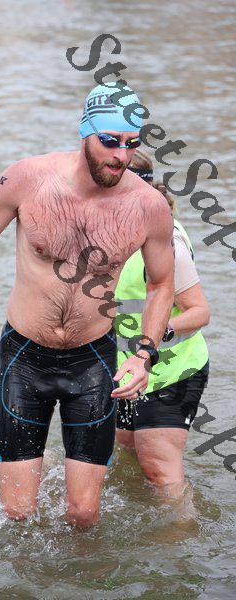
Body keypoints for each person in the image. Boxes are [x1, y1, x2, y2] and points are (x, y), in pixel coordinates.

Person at [0, 82, 175, 528]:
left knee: (84, 515)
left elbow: (161, 283)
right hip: (25, 358)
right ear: (85, 131)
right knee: (17, 514)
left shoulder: (147, 206)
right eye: (110, 141)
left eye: (131, 143)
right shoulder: (27, 179)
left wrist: (144, 355)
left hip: (92, 360)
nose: (121, 155)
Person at [115, 148, 210, 499]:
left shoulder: (169, 243)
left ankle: (183, 531)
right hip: (124, 369)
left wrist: (155, 336)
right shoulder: (106, 233)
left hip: (173, 370)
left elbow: (200, 312)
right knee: (126, 448)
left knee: (159, 467)